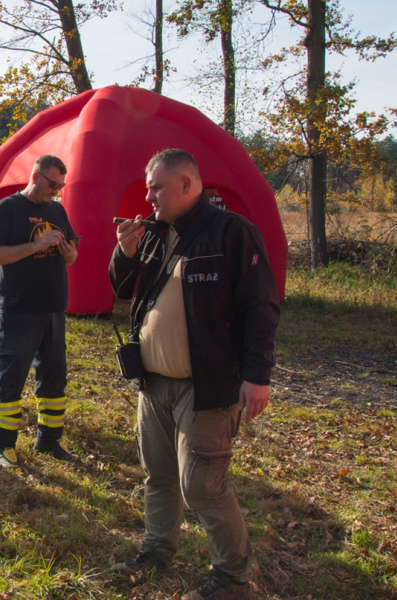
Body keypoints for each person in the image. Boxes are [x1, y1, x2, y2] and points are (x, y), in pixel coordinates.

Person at [108, 149, 280, 600]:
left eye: (158, 187)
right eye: (148, 187)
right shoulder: (152, 233)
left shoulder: (231, 233)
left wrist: (257, 374)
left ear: (188, 185)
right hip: (154, 381)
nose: (149, 197)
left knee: (201, 484)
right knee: (159, 474)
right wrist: (124, 255)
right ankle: (157, 548)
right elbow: (124, 292)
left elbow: (260, 308)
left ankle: (233, 578)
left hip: (208, 385)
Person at [0, 154, 79, 468]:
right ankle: (3, 446)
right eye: (52, 183)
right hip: (18, 308)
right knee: (12, 377)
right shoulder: (7, 208)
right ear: (35, 176)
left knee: (54, 377)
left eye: (61, 185)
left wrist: (68, 253)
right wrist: (36, 247)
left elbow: (72, 258)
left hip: (52, 307)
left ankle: (49, 440)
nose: (56, 190)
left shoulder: (57, 209)